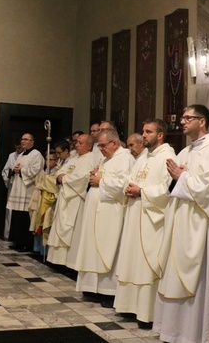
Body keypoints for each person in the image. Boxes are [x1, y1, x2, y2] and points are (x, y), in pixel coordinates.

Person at [154, 105, 209, 343]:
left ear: (203, 121)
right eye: (183, 118)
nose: (183, 122)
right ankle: (173, 332)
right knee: (173, 277)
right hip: (180, 222)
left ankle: (195, 334)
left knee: (198, 281)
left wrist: (182, 177)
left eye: (188, 118)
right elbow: (171, 183)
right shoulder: (185, 151)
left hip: (200, 227)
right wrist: (178, 177)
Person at [114, 119, 175, 328]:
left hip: (151, 219)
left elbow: (168, 190)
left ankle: (147, 313)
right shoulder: (143, 158)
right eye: (143, 131)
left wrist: (142, 192)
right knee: (132, 260)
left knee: (147, 263)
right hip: (135, 214)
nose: (144, 135)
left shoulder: (167, 156)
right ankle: (130, 306)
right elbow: (129, 180)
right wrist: (128, 188)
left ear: (160, 135)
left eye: (148, 132)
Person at [72, 129, 134, 308]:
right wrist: (95, 176)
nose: (100, 149)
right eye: (99, 146)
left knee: (108, 248)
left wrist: (101, 181)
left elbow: (125, 184)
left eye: (103, 145)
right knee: (92, 247)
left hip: (111, 212)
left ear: (114, 143)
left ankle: (108, 291)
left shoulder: (125, 158)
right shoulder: (107, 159)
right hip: (96, 211)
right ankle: (92, 287)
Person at [48, 134, 96, 266]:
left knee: (74, 232)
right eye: (76, 143)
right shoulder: (74, 158)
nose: (77, 145)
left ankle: (71, 263)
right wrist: (60, 176)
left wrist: (64, 178)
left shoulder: (91, 159)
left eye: (80, 143)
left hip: (76, 200)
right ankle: (58, 261)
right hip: (65, 198)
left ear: (89, 146)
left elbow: (83, 178)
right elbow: (60, 171)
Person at [6, 133, 44, 252]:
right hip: (18, 188)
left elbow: (36, 171)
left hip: (28, 189)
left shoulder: (36, 154)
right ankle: (17, 241)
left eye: (26, 140)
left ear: (32, 142)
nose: (23, 141)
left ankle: (26, 243)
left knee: (25, 217)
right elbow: (15, 169)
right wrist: (15, 170)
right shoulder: (21, 154)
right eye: (22, 139)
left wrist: (21, 170)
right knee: (17, 215)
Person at [1, 143, 23, 239]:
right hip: (12, 184)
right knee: (10, 210)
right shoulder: (11, 156)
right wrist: (8, 178)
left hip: (22, 186)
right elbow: (5, 171)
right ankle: (8, 233)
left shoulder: (27, 156)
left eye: (20, 147)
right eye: (16, 147)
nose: (18, 149)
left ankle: (16, 234)